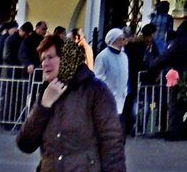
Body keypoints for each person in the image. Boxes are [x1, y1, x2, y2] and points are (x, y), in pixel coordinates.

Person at [16, 33, 126, 172]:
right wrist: (43, 105)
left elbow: (112, 143)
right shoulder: (47, 92)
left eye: (50, 57)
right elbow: (25, 143)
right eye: (42, 59)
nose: (45, 63)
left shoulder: (95, 91)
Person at [147, 18, 187, 140]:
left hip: (181, 76)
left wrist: (152, 67)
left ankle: (175, 132)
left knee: (176, 104)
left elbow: (167, 56)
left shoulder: (180, 41)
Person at [94, 28, 130, 119]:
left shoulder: (124, 56)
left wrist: (124, 91)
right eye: (122, 38)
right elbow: (99, 77)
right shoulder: (103, 56)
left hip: (120, 98)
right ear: (115, 40)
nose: (124, 41)